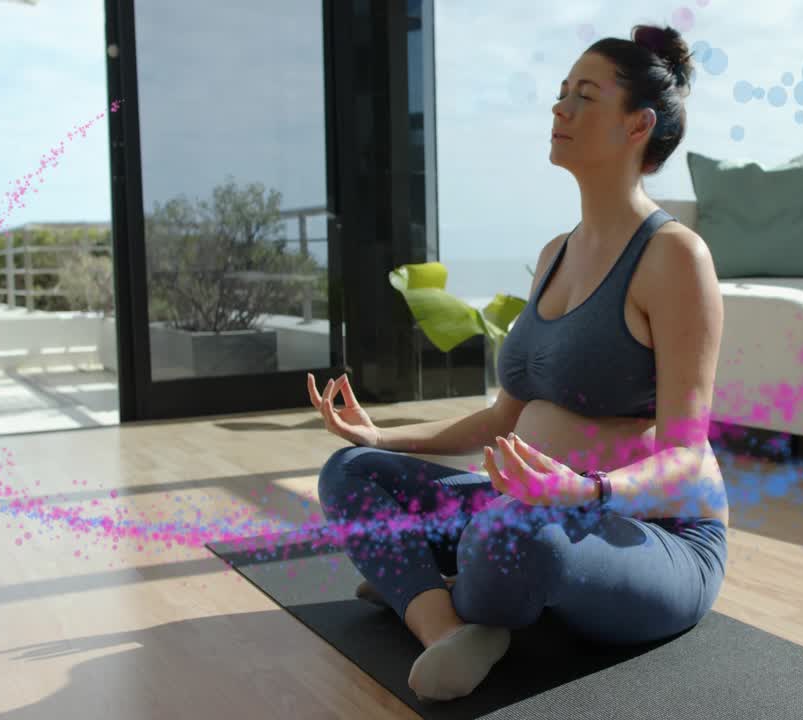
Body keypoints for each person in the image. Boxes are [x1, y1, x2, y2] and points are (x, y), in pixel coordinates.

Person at [311, 24, 729, 703]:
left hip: (652, 536)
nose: (559, 109)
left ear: (637, 126)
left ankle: (424, 584)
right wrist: (384, 438)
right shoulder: (554, 253)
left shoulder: (675, 258)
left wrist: (585, 493)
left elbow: (686, 456)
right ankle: (446, 623)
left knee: (510, 533)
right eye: (561, 94)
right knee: (351, 474)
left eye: (585, 97)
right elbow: (505, 414)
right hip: (529, 507)